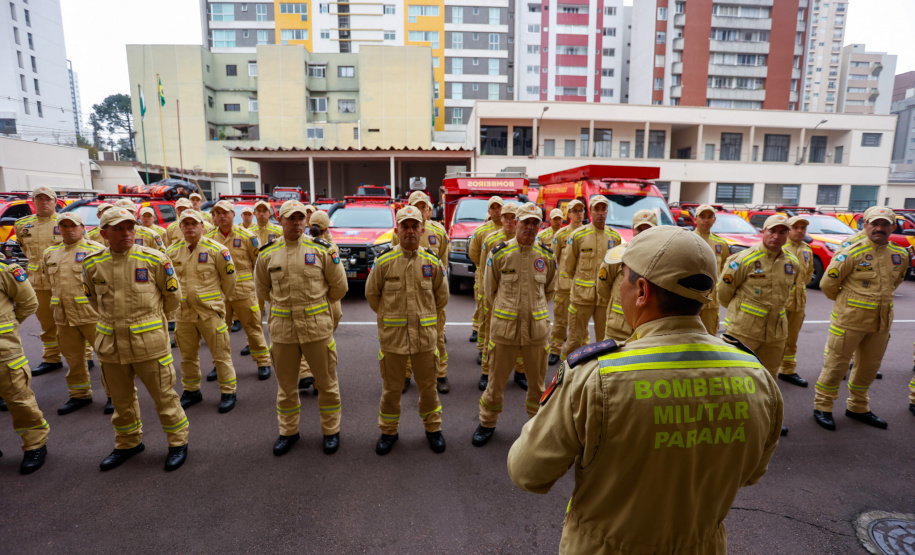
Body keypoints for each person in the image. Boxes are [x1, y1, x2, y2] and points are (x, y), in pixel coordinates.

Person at [507, 225, 783, 554]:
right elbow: (750, 474)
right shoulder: (757, 376)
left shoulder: (595, 375)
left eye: (622, 277)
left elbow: (527, 472)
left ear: (641, 290)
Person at [82, 207, 189, 471]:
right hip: (111, 345)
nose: (126, 233)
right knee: (121, 400)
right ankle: (128, 443)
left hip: (149, 343)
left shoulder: (155, 260)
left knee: (164, 397)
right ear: (104, 233)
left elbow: (172, 298)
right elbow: (93, 300)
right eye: (118, 229)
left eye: (130, 227)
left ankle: (178, 443)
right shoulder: (92, 263)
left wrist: (147, 323)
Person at [254, 200, 348, 457]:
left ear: (306, 221)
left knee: (327, 384)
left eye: (300, 218)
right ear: (280, 221)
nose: (296, 222)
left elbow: (339, 288)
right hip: (283, 331)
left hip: (316, 328)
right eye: (290, 218)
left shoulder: (323, 250)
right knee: (286, 387)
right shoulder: (267, 253)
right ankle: (288, 432)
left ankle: (331, 431)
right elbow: (262, 290)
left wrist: (316, 305)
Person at [812, 207, 910, 431]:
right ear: (865, 225)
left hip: (881, 323)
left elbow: (896, 282)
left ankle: (858, 407)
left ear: (893, 227)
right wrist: (848, 302)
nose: (879, 228)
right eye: (874, 224)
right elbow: (828, 285)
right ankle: (823, 407)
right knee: (836, 365)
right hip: (848, 321)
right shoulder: (851, 252)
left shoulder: (900, 254)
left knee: (869, 367)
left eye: (885, 224)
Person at [366, 205, 449, 455]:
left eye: (415, 226)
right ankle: (388, 431)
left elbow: (441, 297)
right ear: (397, 230)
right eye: (405, 226)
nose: (410, 231)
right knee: (391, 390)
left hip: (424, 339)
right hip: (393, 339)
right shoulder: (384, 261)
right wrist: (390, 318)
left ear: (422, 230)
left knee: (428, 388)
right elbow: (372, 295)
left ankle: (433, 429)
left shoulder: (432, 261)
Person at [472, 203, 556, 447]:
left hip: (536, 331)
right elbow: (490, 292)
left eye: (535, 223)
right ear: (516, 223)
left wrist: (532, 311)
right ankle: (487, 423)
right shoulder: (498, 254)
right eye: (525, 222)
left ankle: (537, 426)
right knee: (495, 383)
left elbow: (549, 290)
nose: (530, 227)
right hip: (505, 330)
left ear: (540, 226)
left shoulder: (547, 256)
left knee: (538, 386)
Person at [718, 214, 795, 436]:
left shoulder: (792, 262)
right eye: (772, 231)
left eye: (782, 232)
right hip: (744, 330)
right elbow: (724, 294)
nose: (777, 236)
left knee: (769, 377)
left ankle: (766, 418)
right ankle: (732, 421)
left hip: (776, 331)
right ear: (764, 231)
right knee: (736, 377)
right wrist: (742, 315)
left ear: (787, 235)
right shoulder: (742, 259)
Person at [167, 210, 239, 414]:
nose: (190, 227)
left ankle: (228, 392)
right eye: (185, 223)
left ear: (202, 226)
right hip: (183, 314)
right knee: (187, 356)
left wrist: (218, 301)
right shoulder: (171, 252)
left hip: (209, 312)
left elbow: (230, 281)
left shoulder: (217, 250)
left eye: (194, 223)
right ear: (180, 227)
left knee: (221, 355)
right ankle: (191, 391)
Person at [40, 212, 110, 415]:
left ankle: (114, 395)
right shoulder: (50, 253)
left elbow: (108, 284)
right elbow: (48, 279)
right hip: (63, 315)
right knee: (73, 359)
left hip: (92, 314)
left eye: (73, 225)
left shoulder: (97, 250)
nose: (69, 229)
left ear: (82, 228)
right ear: (59, 229)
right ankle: (79, 395)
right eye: (64, 226)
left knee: (107, 357)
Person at [392, 191, 451, 394]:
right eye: (414, 206)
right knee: (407, 335)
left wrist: (438, 294)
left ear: (428, 209)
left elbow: (443, 265)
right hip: (406, 292)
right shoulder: (398, 232)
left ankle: (440, 374)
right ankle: (406, 375)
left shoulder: (439, 232)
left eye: (422, 206)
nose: (419, 210)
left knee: (437, 336)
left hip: (430, 293)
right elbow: (394, 261)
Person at [205, 200, 272, 381]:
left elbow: (258, 264)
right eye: (217, 212)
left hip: (244, 292)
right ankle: (219, 365)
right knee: (218, 333)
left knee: (253, 328)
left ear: (233, 214)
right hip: (218, 294)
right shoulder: (208, 237)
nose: (221, 216)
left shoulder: (247, 236)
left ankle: (263, 362)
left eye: (225, 212)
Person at [0, 257, 49, 474]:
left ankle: (35, 444)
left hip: (3, 350)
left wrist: (9, 327)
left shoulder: (5, 270)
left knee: (19, 399)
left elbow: (29, 303)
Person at [560, 195, 623, 362]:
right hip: (581, 298)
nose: (600, 213)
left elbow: (616, 269)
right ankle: (564, 376)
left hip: (604, 299)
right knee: (574, 340)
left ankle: (600, 376)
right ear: (591, 211)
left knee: (605, 343)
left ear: (607, 211)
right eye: (597, 209)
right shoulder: (578, 235)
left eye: (603, 209)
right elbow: (569, 267)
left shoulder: (614, 237)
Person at [14, 186, 63, 376]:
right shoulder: (22, 225)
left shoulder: (66, 222)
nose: (44, 202)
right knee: (46, 322)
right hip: (37, 280)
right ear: (33, 201)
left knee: (74, 319)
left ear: (55, 201)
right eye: (39, 199)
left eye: (48, 199)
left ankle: (86, 356)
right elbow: (23, 247)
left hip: (63, 278)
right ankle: (51, 358)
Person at [478, 203, 527, 392]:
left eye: (511, 217)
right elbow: (484, 271)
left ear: (517, 220)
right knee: (492, 337)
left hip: (521, 300)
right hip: (496, 300)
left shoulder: (527, 242)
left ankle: (520, 372)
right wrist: (487, 299)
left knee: (522, 336)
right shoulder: (491, 240)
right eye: (505, 217)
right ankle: (486, 371)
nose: (507, 220)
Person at [596, 209, 657, 342]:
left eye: (648, 230)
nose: (643, 234)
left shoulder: (661, 260)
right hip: (618, 330)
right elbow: (603, 288)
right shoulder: (617, 256)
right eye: (639, 229)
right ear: (633, 229)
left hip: (648, 332)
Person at [778, 215, 814, 387]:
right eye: (796, 227)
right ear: (788, 229)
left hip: (799, 302)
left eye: (803, 228)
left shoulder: (807, 249)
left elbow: (807, 275)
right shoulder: (779, 247)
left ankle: (788, 370)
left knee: (792, 339)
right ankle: (764, 371)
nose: (800, 231)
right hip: (780, 302)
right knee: (772, 339)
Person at [548, 199, 585, 366]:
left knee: (580, 323)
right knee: (561, 321)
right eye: (574, 211)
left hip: (583, 288)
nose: (578, 213)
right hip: (563, 287)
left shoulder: (588, 233)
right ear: (568, 214)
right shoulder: (560, 235)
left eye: (580, 210)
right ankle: (555, 350)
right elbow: (552, 260)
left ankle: (582, 351)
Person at [468, 196, 503, 346]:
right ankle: (483, 348)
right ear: (489, 211)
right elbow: (474, 254)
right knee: (484, 313)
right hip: (483, 276)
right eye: (493, 208)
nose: (496, 210)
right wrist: (484, 268)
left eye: (498, 207)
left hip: (504, 279)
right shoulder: (481, 231)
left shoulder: (510, 229)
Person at [693, 205, 730, 335]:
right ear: (695, 219)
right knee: (689, 337)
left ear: (714, 219)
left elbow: (723, 270)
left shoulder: (721, 244)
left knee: (709, 337)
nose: (706, 220)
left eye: (710, 217)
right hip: (691, 300)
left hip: (712, 302)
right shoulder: (687, 239)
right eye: (702, 217)